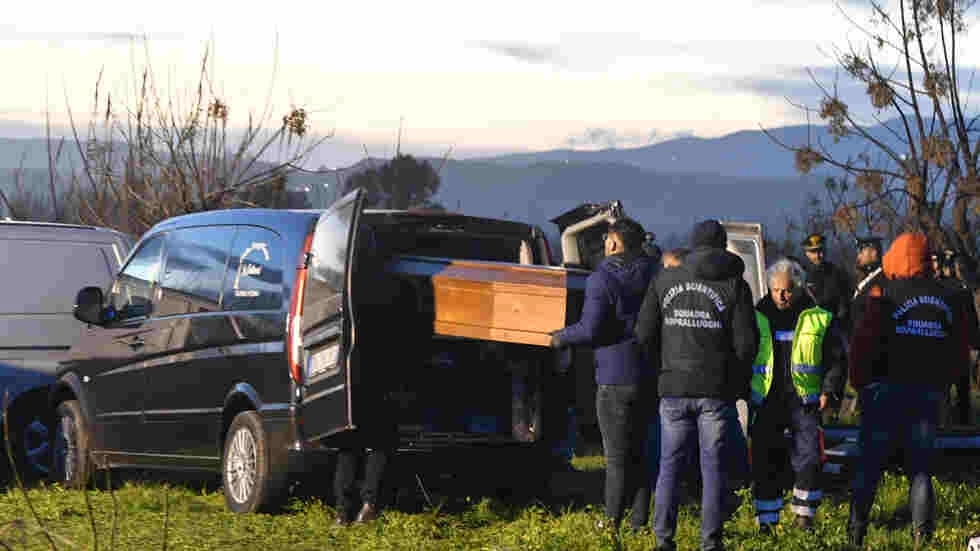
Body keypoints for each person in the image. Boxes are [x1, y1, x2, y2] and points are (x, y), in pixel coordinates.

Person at [635, 219, 759, 551]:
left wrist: (661, 369)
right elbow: (747, 345)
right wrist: (734, 380)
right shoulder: (735, 285)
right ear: (722, 247)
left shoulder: (664, 280)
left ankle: (663, 539)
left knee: (670, 466)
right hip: (716, 392)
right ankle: (710, 542)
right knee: (713, 469)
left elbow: (643, 334)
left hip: (673, 388)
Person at [847, 233, 974, 548]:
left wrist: (860, 383)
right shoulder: (946, 298)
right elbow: (959, 350)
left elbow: (864, 344)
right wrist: (946, 385)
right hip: (928, 395)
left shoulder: (885, 294)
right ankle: (922, 538)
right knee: (920, 471)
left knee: (870, 466)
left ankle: (856, 533)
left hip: (884, 393)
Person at [550, 217, 660, 534]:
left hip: (614, 376)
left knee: (616, 456)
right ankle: (639, 522)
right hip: (648, 373)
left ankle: (610, 522)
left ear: (613, 243)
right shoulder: (655, 272)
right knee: (641, 451)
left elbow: (591, 329)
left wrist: (560, 336)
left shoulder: (602, 278)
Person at [749, 258, 846, 534]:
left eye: (787, 289)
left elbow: (836, 358)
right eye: (776, 289)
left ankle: (804, 517)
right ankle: (766, 522)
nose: (781, 295)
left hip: (804, 399)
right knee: (765, 459)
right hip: (767, 399)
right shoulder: (757, 315)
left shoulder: (818, 316)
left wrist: (830, 390)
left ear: (799, 287)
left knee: (809, 458)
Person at [333, 226, 403, 525]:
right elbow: (410, 333)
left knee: (349, 446)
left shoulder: (343, 285)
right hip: (384, 374)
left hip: (349, 374)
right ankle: (369, 507)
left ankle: (342, 513)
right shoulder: (397, 285)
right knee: (380, 444)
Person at [800, 233, 852, 327]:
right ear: (807, 253)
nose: (819, 255)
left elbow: (844, 304)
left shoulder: (837, 273)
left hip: (833, 326)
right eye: (814, 252)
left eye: (821, 251)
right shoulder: (802, 275)